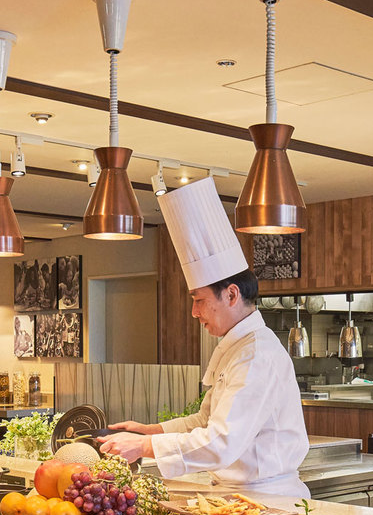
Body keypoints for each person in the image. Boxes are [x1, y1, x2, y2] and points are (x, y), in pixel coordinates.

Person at [98, 178, 310, 497]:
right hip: (236, 495)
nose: (194, 312)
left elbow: (221, 442)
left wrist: (144, 446)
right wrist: (151, 431)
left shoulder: (256, 354)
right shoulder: (235, 347)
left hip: (268, 501)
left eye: (199, 300)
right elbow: (206, 420)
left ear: (231, 295)